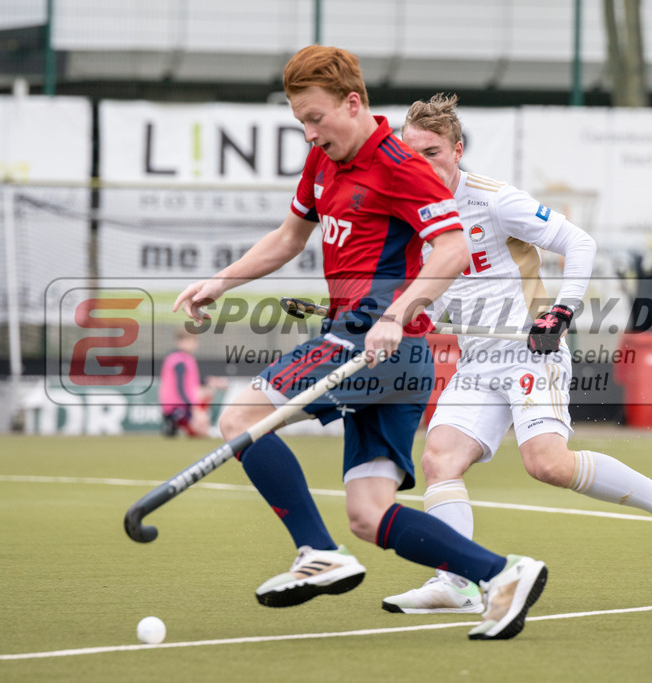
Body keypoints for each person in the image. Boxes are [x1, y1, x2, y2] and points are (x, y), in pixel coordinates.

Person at [173, 47, 547, 640]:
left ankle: (314, 551)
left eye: (316, 118)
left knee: (241, 415)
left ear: (353, 102)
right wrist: (220, 283)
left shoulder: (401, 165)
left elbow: (451, 249)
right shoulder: (322, 163)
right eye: (300, 120)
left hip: (378, 341)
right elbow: (289, 237)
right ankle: (502, 573)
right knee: (369, 516)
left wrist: (397, 313)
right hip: (380, 352)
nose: (309, 132)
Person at [381, 93, 652, 615]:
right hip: (477, 360)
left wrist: (560, 311)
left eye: (431, 152)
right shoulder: (416, 216)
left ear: (456, 150)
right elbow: (435, 295)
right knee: (439, 459)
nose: (420, 163)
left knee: (548, 465)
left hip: (529, 352)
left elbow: (578, 242)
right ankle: (457, 582)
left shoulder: (494, 199)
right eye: (410, 153)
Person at [158, 328, 227, 437]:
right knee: (202, 430)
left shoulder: (186, 358)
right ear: (180, 342)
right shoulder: (178, 361)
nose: (195, 344)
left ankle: (181, 425)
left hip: (185, 405)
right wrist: (194, 409)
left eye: (194, 341)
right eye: (190, 341)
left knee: (208, 389)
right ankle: (177, 422)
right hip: (178, 407)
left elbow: (193, 381)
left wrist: (212, 380)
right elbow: (180, 387)